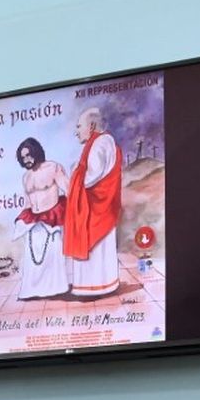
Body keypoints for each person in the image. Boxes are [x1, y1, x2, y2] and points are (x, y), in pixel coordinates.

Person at [63, 107, 122, 299]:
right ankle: (104, 285)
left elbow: (90, 177)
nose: (76, 131)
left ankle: (93, 288)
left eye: (79, 126)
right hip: (101, 206)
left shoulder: (99, 144)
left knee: (95, 250)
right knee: (101, 252)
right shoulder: (105, 141)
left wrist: (74, 174)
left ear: (92, 126)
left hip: (95, 207)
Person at [12, 136, 70, 299]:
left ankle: (56, 289)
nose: (27, 159)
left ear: (36, 152)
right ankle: (33, 291)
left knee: (53, 255)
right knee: (32, 259)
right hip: (34, 222)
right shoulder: (26, 177)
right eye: (23, 157)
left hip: (51, 218)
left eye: (29, 155)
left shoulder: (53, 167)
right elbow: (27, 203)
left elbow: (68, 189)